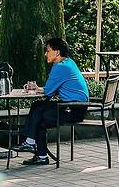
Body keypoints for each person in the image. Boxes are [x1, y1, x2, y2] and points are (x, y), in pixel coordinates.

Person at [12, 38, 89, 166]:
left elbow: (48, 92)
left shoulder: (60, 67)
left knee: (38, 111)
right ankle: (41, 155)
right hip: (77, 107)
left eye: (48, 51)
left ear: (57, 52)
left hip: (73, 108)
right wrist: (38, 89)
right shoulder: (68, 62)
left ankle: (30, 142)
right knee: (39, 113)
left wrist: (38, 90)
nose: (45, 54)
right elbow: (51, 89)